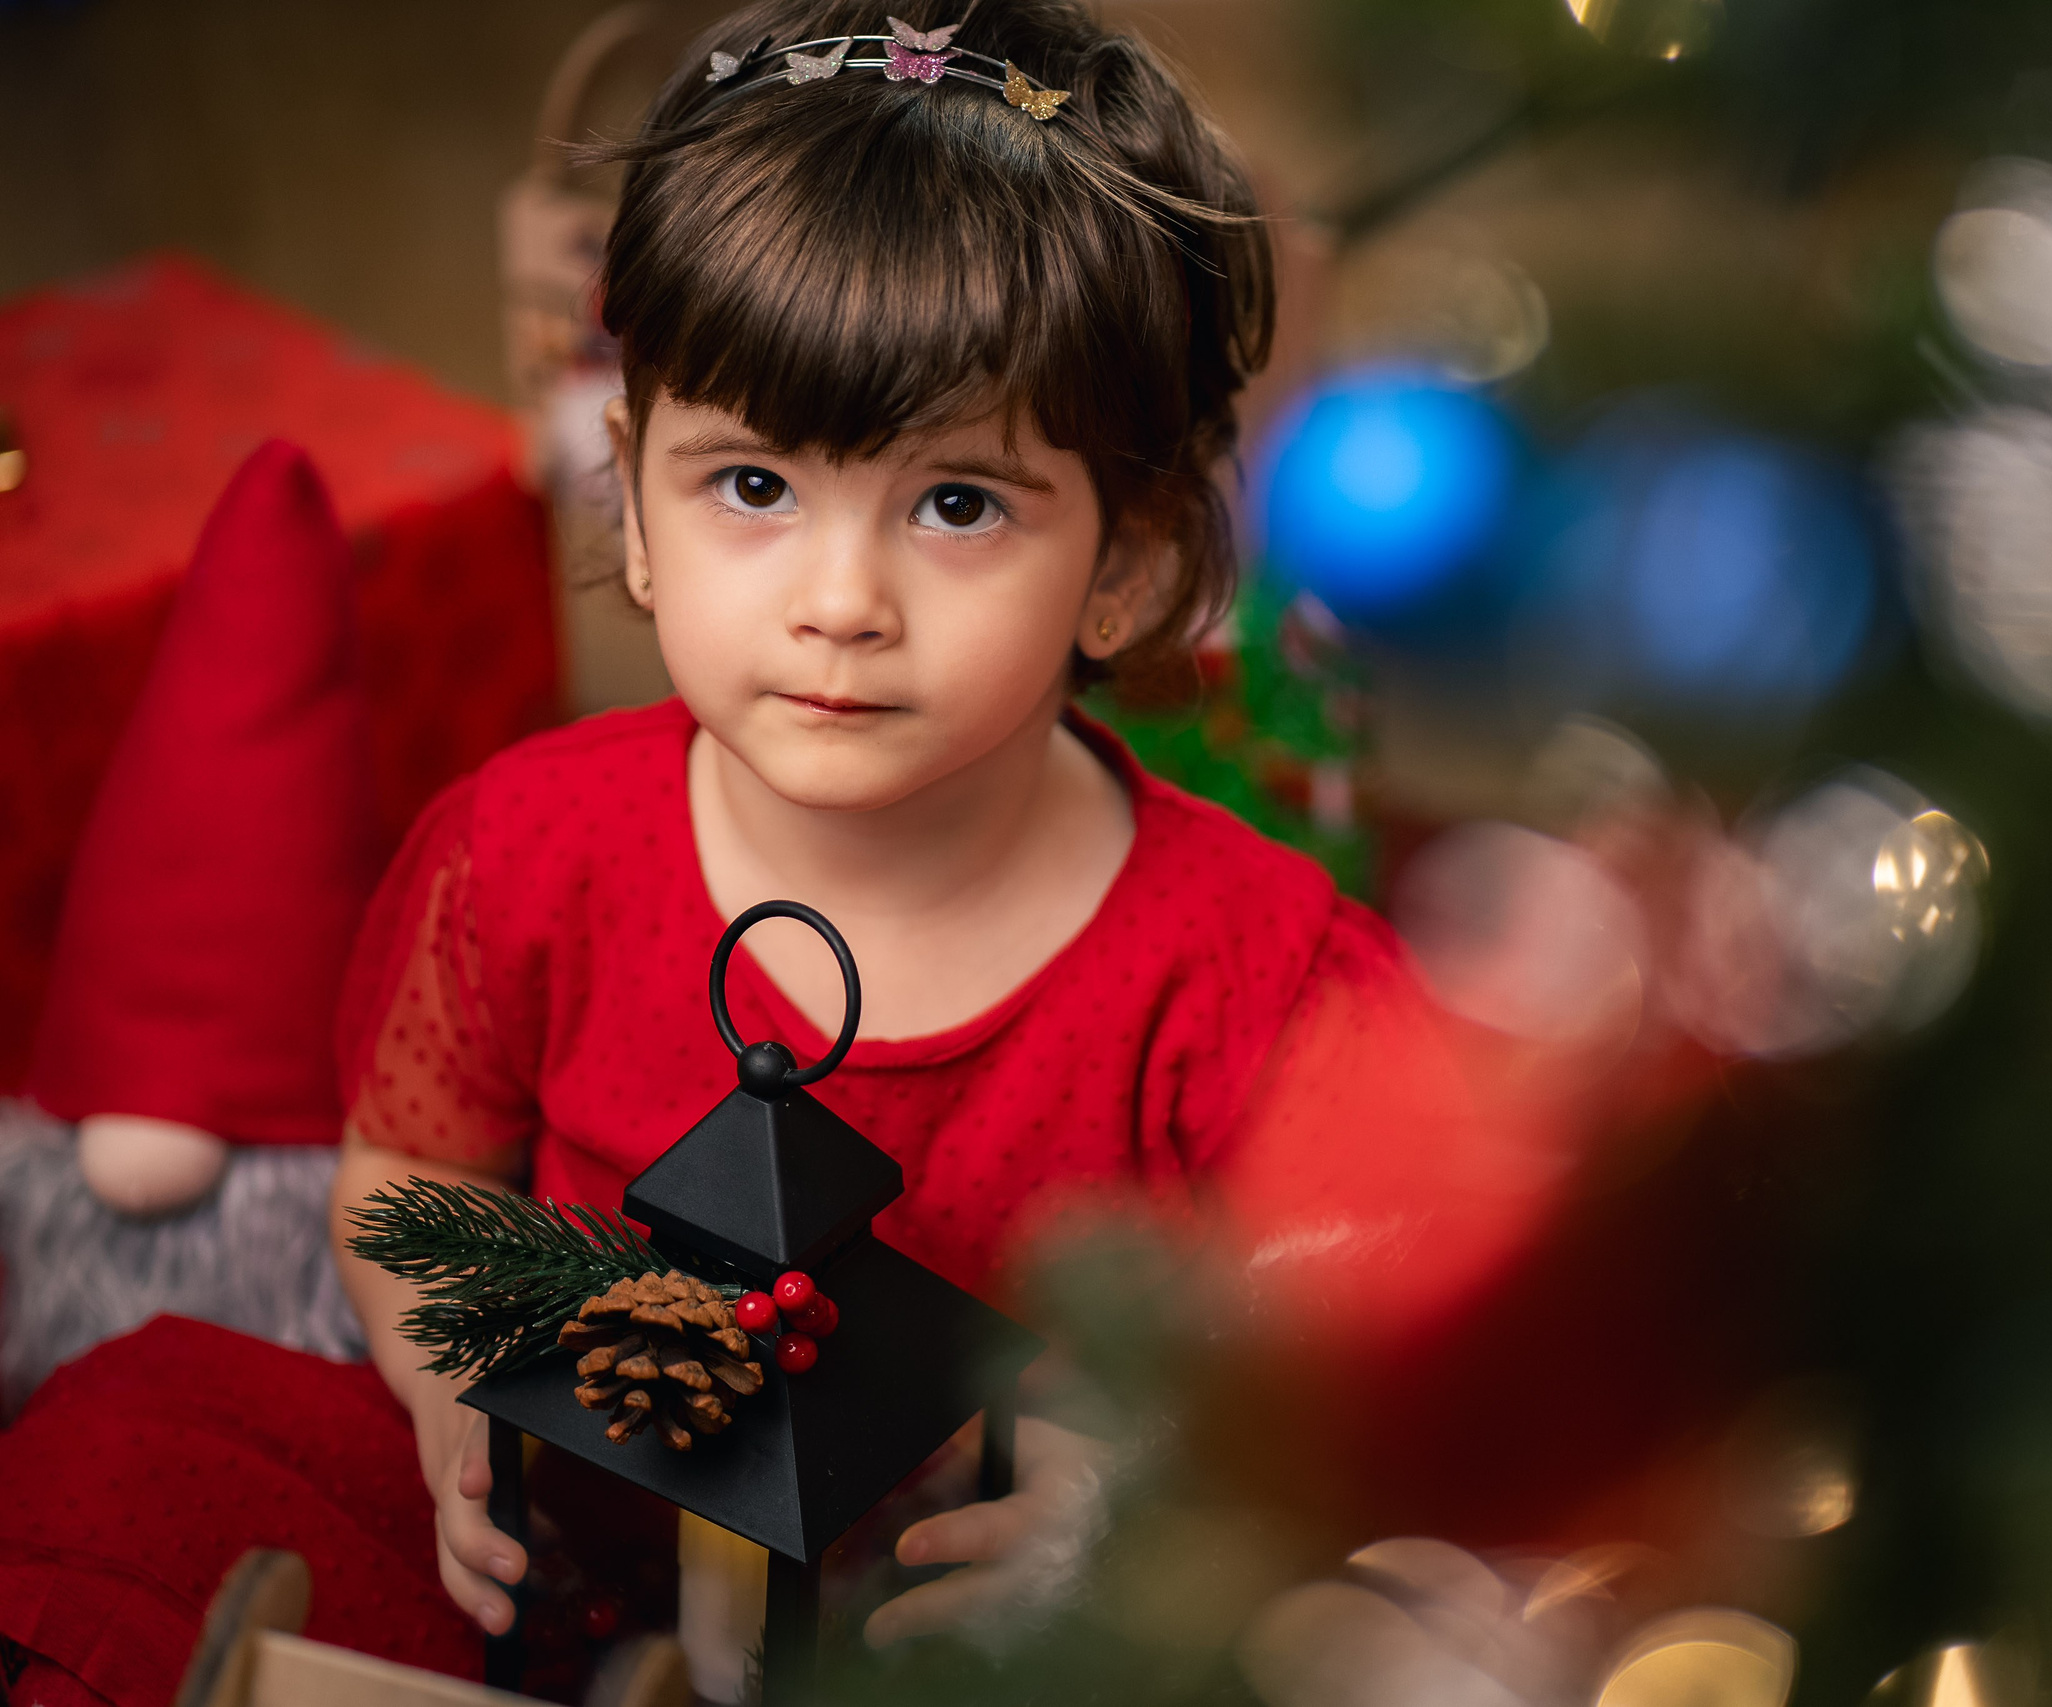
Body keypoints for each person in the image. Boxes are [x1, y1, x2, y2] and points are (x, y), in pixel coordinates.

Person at [326, 0, 1474, 1655]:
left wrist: (1138, 1499)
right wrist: (457, 1408)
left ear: (1129, 564)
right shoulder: (526, 849)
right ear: (632, 502)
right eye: (751, 488)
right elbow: (409, 1177)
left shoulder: (1260, 982)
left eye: (956, 504)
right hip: (574, 1575)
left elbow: (1366, 1358)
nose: (840, 604)